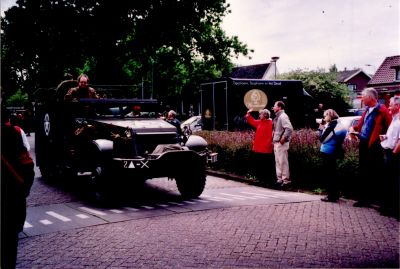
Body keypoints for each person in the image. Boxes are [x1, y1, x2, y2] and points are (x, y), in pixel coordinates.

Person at [1, 108, 35, 269]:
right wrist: (24, 190)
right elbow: (27, 164)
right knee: (9, 241)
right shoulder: (15, 133)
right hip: (12, 196)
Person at [349, 88, 391, 207]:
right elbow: (361, 125)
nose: (361, 98)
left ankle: (378, 201)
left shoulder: (382, 111)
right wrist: (354, 129)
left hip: (375, 146)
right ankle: (364, 200)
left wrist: (382, 142)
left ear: (370, 98)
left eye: (363, 96)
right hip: (364, 144)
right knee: (364, 172)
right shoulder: (367, 110)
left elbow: (390, 128)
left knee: (376, 173)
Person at [318, 109, 347, 202]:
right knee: (333, 173)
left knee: (329, 174)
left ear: (329, 116)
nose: (324, 118)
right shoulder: (339, 124)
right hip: (334, 150)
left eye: (325, 116)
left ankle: (331, 196)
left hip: (328, 151)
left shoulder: (332, 126)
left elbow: (323, 139)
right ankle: (335, 194)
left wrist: (321, 129)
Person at [379, 96, 400, 218]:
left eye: (391, 104)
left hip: (394, 155)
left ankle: (396, 211)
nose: (388, 107)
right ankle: (389, 208)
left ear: (397, 106)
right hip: (389, 152)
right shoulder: (394, 119)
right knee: (389, 182)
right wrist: (385, 137)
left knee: (395, 183)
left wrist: (393, 155)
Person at [245, 108, 274, 184]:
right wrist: (248, 114)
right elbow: (252, 121)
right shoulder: (260, 122)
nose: (259, 115)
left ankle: (265, 179)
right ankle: (260, 179)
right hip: (258, 147)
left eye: (261, 114)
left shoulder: (270, 123)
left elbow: (270, 136)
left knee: (265, 164)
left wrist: (267, 145)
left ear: (265, 115)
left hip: (265, 148)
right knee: (259, 164)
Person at [272, 101, 293, 187]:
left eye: (275, 106)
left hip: (281, 143)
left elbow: (289, 128)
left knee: (282, 162)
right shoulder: (279, 116)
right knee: (278, 162)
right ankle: (280, 179)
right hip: (277, 142)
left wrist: (283, 138)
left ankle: (285, 181)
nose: (273, 107)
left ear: (279, 107)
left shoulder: (283, 116)